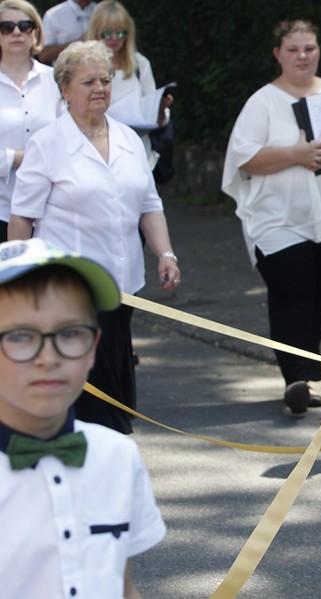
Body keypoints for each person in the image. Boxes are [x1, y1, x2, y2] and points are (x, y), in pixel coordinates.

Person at [8, 40, 181, 434]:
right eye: (88, 82)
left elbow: (149, 205)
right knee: (95, 387)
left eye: (105, 80)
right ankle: (101, 449)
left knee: (114, 369)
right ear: (65, 90)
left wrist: (165, 254)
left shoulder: (128, 139)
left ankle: (108, 450)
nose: (100, 88)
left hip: (124, 286)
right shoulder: (48, 143)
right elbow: (22, 220)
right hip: (72, 290)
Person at [223, 19, 321, 416]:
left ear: (318, 51)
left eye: (309, 48)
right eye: (293, 49)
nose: (302, 56)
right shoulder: (263, 101)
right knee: (291, 293)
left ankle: (304, 370)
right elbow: (244, 156)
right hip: (278, 220)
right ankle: (295, 378)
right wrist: (296, 155)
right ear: (278, 54)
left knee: (320, 298)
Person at [0, 237, 165, 598]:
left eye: (70, 334)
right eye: (21, 336)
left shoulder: (117, 456)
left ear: (93, 348)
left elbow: (122, 587)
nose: (49, 357)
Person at [0, 0, 62, 242]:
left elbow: (71, 135)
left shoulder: (56, 81)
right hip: (2, 209)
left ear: (35, 32)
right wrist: (15, 158)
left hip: (51, 210)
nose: (16, 32)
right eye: (6, 27)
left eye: (25, 26)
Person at [86, 0, 172, 170]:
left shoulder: (139, 64)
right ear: (95, 32)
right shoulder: (84, 66)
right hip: (96, 153)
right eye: (107, 32)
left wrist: (161, 110)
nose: (114, 39)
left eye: (120, 33)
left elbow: (153, 111)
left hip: (137, 154)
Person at [37, 0, 96, 64]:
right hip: (65, 72)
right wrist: (79, 44)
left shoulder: (101, 11)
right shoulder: (53, 14)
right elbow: (44, 54)